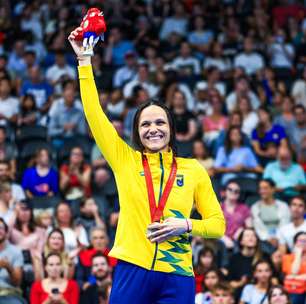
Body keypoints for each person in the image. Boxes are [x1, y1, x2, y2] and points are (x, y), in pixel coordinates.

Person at [69, 27, 225, 303]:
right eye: (146, 124)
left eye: (160, 122)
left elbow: (217, 225)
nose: (154, 129)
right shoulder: (125, 160)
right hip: (133, 268)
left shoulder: (193, 169)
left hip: (177, 273)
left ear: (171, 129)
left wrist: (186, 225)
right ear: (137, 131)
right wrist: (84, 62)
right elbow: (94, 113)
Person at [251, 179, 290, 251]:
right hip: (263, 240)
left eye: (265, 188)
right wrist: (268, 238)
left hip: (281, 238)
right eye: (260, 188)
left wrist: (277, 237)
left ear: (273, 189)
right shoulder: (255, 207)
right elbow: (258, 228)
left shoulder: (283, 205)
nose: (262, 191)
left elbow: (285, 223)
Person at [0, 217, 24, 304]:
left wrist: (8, 267)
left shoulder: (15, 252)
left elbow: (17, 282)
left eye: (1, 228)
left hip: (9, 293)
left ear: (6, 232)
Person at [221, 181, 252, 250]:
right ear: (224, 192)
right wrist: (223, 238)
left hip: (239, 240)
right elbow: (212, 227)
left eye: (236, 191)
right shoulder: (217, 207)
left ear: (239, 194)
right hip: (220, 239)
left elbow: (250, 227)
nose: (233, 192)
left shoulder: (244, 208)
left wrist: (242, 232)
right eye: (230, 189)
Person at [282, 231, 306, 304]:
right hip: (296, 290)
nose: (303, 243)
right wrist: (298, 254)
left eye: (305, 241)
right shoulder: (287, 257)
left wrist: (295, 277)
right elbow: (293, 272)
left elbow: (293, 276)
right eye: (300, 241)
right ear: (295, 243)